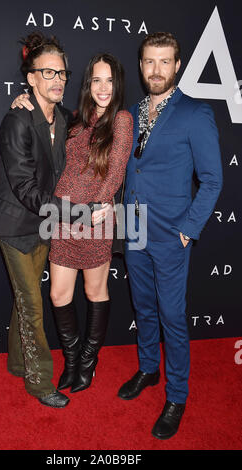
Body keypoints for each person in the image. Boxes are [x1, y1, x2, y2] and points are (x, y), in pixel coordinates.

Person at [0, 32, 106, 408]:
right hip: (14, 226)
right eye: (47, 73)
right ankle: (39, 382)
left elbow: (96, 122)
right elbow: (26, 190)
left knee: (26, 299)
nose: (57, 80)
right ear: (30, 78)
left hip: (44, 224)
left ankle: (18, 362)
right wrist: (79, 213)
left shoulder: (65, 118)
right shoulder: (16, 121)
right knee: (33, 304)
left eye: (62, 73)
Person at [119, 32, 223, 439]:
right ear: (142, 65)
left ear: (177, 66)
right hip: (134, 229)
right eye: (149, 62)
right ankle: (148, 368)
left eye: (165, 62)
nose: (156, 70)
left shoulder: (195, 113)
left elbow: (212, 180)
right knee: (143, 307)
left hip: (170, 233)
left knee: (172, 317)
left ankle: (177, 394)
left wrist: (188, 230)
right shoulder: (131, 112)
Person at [12, 53, 133, 394]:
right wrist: (23, 99)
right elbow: (43, 116)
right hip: (61, 217)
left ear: (118, 84)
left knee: (96, 291)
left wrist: (102, 203)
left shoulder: (121, 119)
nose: (103, 87)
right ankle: (72, 358)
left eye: (110, 80)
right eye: (97, 80)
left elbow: (117, 168)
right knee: (58, 293)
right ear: (88, 84)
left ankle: (88, 363)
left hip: (96, 219)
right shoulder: (76, 118)